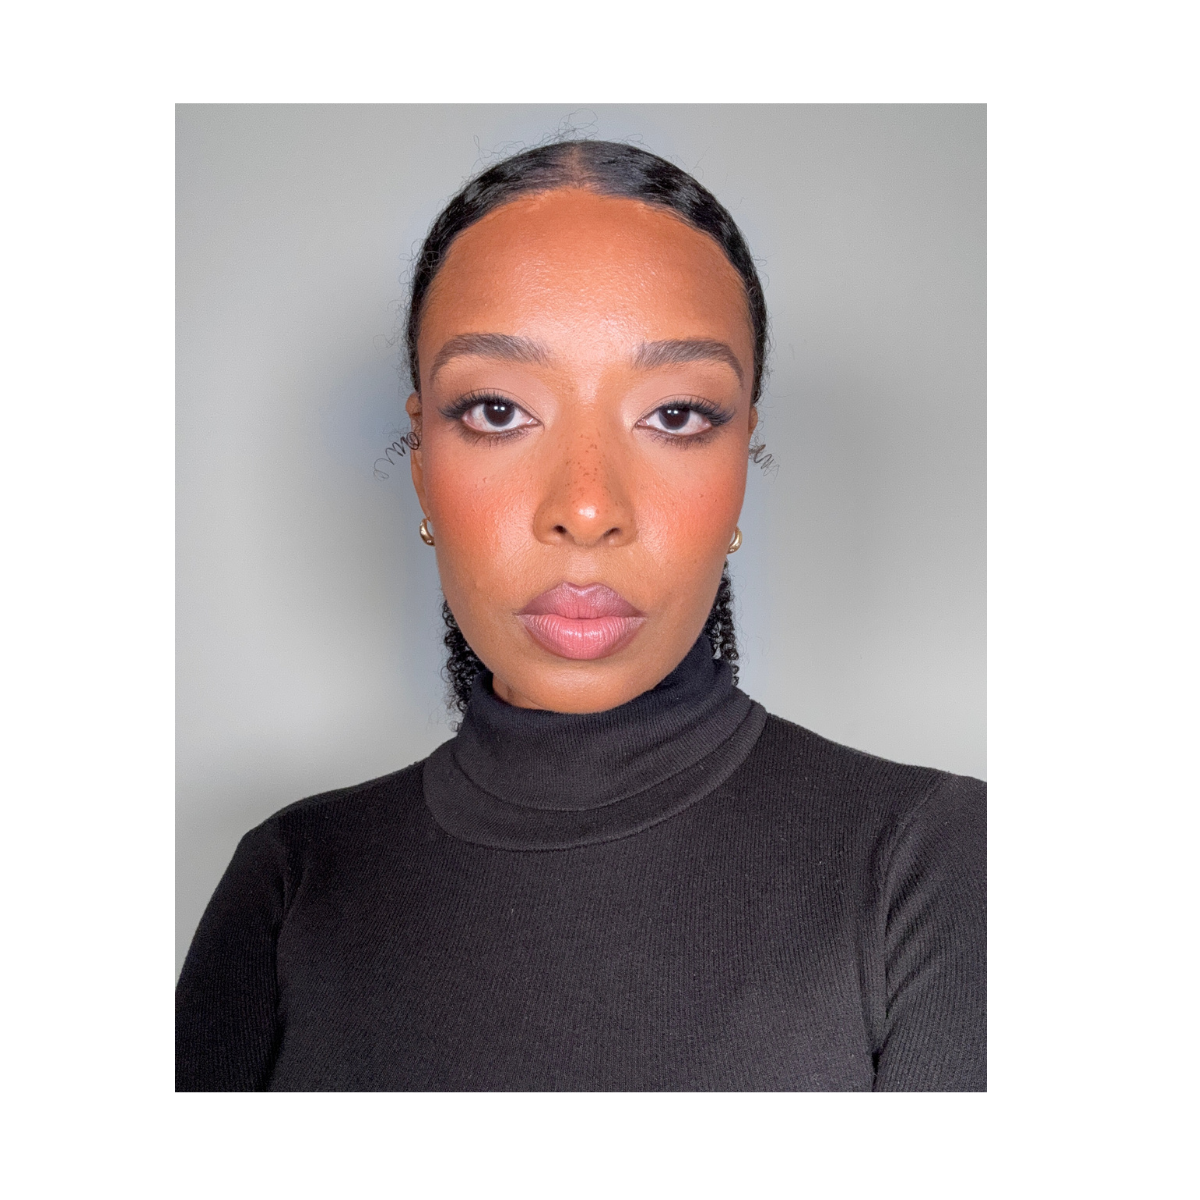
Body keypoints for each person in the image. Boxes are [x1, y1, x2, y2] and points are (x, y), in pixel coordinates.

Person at [175, 140, 987, 1093]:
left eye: (677, 415)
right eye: (496, 409)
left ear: (740, 471)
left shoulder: (940, 863)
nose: (589, 506)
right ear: (421, 461)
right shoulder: (291, 881)